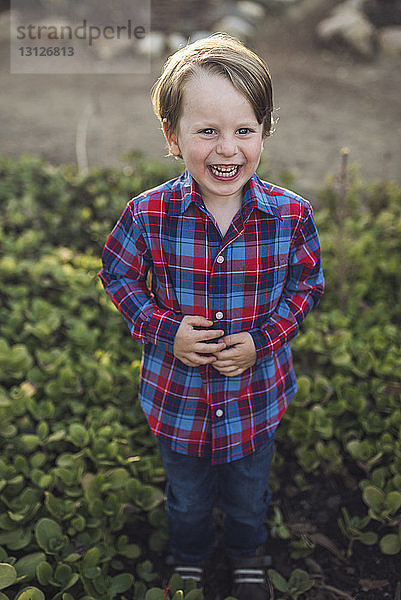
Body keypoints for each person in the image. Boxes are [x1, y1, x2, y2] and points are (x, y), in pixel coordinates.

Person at [98, 33, 324, 600]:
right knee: (188, 497)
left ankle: (248, 554)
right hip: (178, 400)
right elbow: (118, 276)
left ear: (265, 131)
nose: (228, 149)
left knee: (250, 494)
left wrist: (265, 339)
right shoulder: (147, 214)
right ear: (173, 138)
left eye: (244, 130)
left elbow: (306, 286)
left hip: (255, 397)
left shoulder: (290, 216)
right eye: (207, 131)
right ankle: (191, 557)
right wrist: (163, 329)